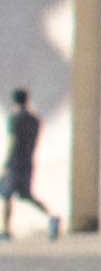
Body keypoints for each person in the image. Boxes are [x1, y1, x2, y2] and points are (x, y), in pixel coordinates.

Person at [0, 90, 49, 242]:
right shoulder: (35, 120)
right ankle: (51, 216)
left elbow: (13, 142)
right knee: (26, 195)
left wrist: (6, 164)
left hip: (15, 163)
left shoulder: (14, 119)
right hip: (28, 161)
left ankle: (6, 230)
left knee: (6, 195)